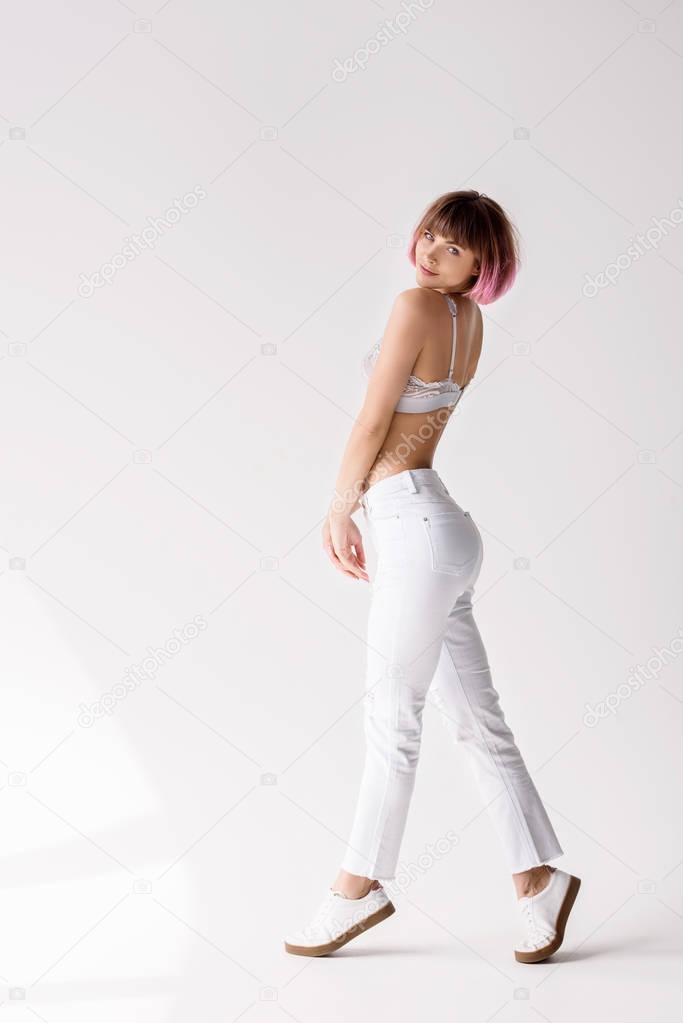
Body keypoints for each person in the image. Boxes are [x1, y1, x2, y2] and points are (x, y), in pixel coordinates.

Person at [283, 190, 581, 963]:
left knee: (393, 720)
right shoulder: (468, 322)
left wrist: (338, 507)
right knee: (476, 721)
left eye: (454, 250)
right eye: (431, 237)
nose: (431, 254)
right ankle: (536, 879)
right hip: (437, 522)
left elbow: (373, 419)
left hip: (411, 526)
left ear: (484, 266)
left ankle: (357, 886)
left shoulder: (418, 305)